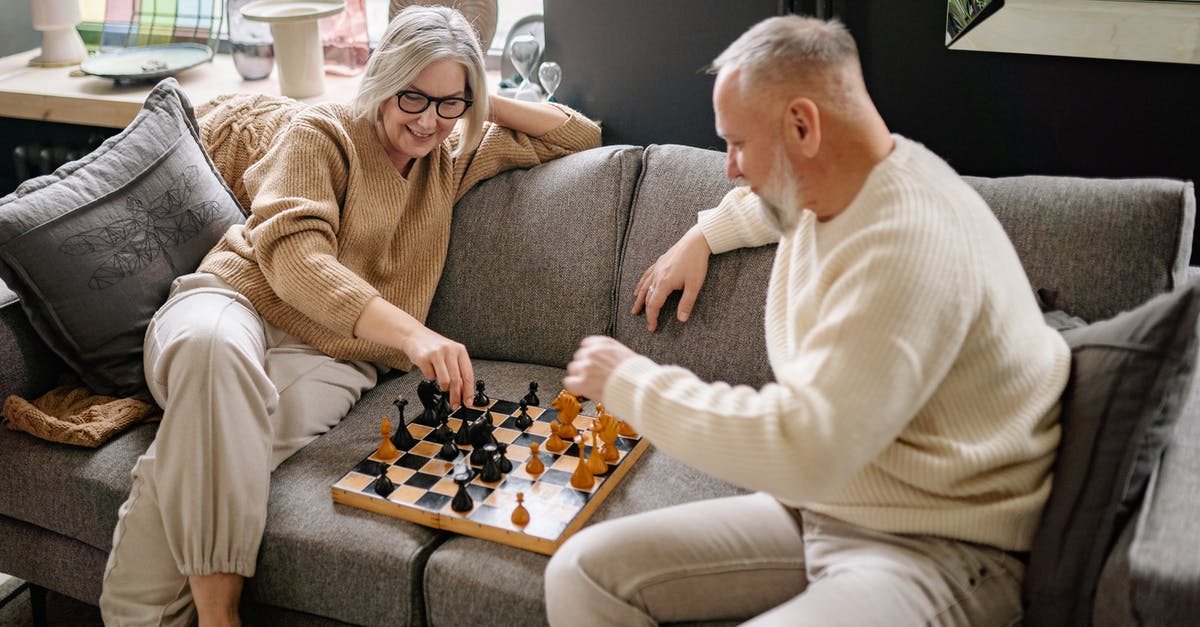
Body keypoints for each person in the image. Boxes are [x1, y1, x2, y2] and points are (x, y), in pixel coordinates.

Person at [549, 14, 1068, 627]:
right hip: (829, 507)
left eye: (738, 144)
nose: (730, 167)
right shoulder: (836, 182)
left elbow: (804, 447)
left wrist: (629, 382)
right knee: (580, 573)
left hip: (938, 545)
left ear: (802, 125)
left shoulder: (906, 243)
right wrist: (702, 235)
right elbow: (763, 208)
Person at [99, 6, 600, 625]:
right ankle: (219, 614)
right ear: (383, 80)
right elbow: (295, 260)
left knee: (212, 441)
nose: (428, 120)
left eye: (450, 104)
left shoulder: (453, 153)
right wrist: (413, 334)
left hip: (335, 358)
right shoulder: (323, 132)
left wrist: (472, 98)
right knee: (212, 357)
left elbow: (578, 134)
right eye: (413, 97)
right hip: (235, 303)